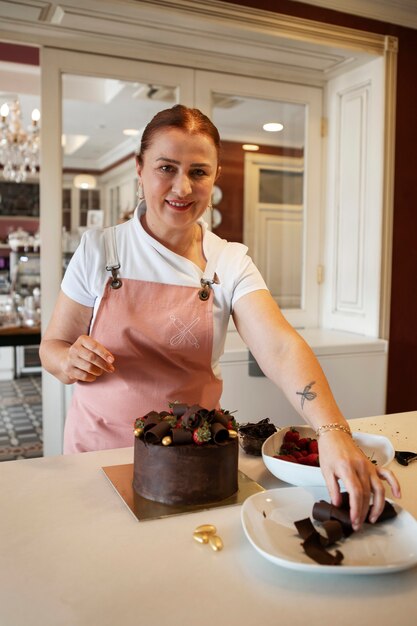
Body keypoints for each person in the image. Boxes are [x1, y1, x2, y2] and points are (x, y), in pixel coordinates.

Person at [40, 104, 400, 531]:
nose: (182, 187)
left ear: (214, 177)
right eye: (166, 168)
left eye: (198, 172)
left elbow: (280, 347)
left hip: (196, 455)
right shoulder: (100, 250)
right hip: (99, 454)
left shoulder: (229, 261)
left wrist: (334, 432)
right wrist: (68, 361)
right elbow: (53, 347)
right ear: (139, 169)